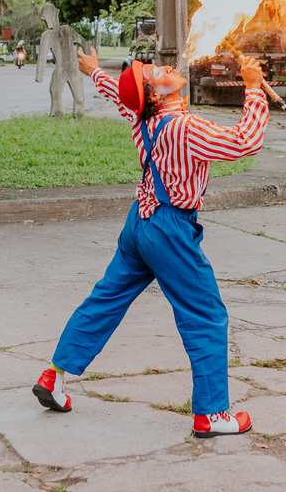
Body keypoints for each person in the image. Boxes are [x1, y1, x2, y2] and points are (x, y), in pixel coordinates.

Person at [32, 47, 269, 438]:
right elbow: (246, 142)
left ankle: (54, 375)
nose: (163, 67)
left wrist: (94, 71)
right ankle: (211, 414)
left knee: (105, 299)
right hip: (169, 229)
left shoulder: (141, 118)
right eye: (155, 71)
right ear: (155, 94)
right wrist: (254, 89)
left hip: (138, 224)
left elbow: (121, 96)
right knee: (206, 314)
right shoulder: (188, 130)